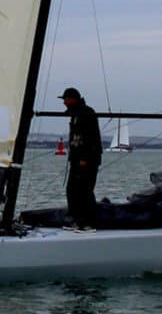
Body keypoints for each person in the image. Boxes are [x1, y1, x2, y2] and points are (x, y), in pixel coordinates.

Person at [59, 86, 102, 230]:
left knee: (84, 191)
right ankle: (76, 220)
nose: (64, 102)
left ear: (72, 99)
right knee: (72, 190)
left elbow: (90, 138)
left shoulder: (86, 113)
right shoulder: (76, 113)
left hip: (86, 161)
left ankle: (88, 222)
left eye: (65, 99)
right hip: (77, 161)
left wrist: (85, 158)